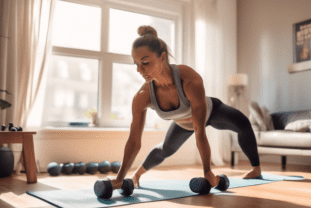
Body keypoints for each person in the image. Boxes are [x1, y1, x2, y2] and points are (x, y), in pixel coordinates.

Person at [110, 26, 261, 190]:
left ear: (162, 58)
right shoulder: (142, 96)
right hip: (183, 123)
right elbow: (134, 142)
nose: (139, 70)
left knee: (243, 123)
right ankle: (137, 175)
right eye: (136, 64)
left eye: (145, 62)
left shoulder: (189, 79)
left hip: (211, 111)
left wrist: (207, 172)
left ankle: (256, 169)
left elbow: (200, 132)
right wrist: (120, 178)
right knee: (164, 149)